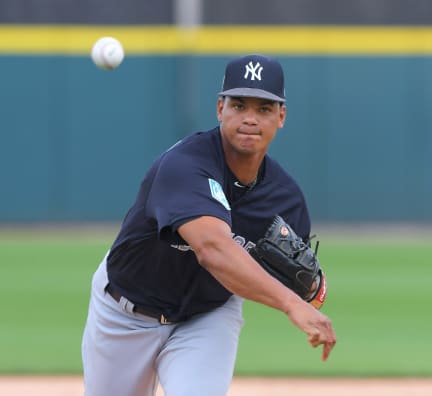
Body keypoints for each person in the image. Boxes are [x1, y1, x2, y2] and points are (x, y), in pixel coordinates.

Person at [81, 54, 337, 396]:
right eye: (239, 105)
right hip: (126, 310)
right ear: (220, 109)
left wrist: (309, 295)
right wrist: (292, 305)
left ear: (281, 116)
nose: (249, 118)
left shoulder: (286, 199)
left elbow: (296, 276)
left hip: (207, 318)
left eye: (263, 109)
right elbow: (213, 249)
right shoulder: (183, 166)